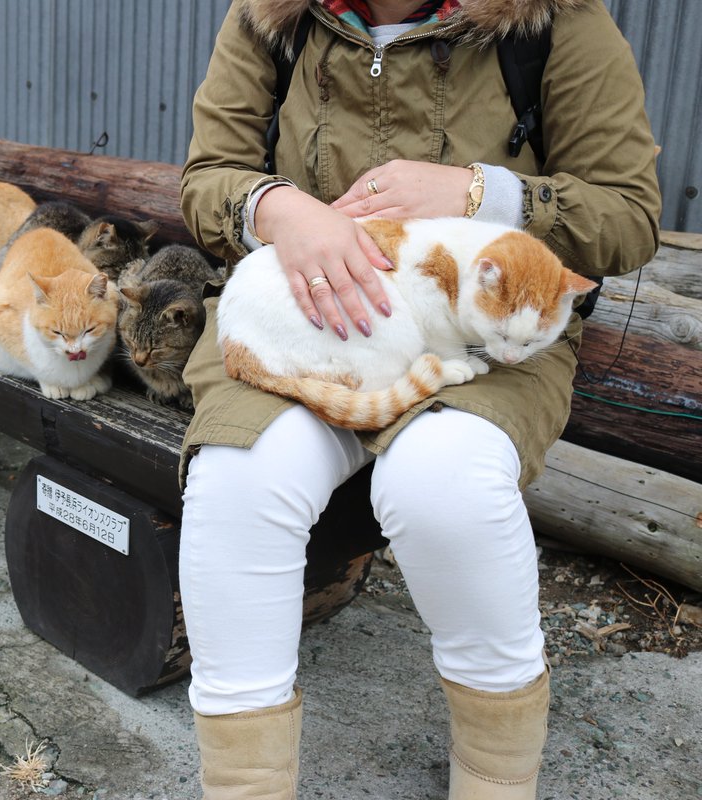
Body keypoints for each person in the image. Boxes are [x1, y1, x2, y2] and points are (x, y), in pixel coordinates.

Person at [177, 1, 661, 798]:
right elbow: (207, 180)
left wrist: (479, 191)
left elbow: (629, 213)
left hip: (488, 335)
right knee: (238, 484)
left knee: (444, 489)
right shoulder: (271, 16)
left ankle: (494, 782)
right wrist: (280, 209)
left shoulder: (554, 19)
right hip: (308, 314)